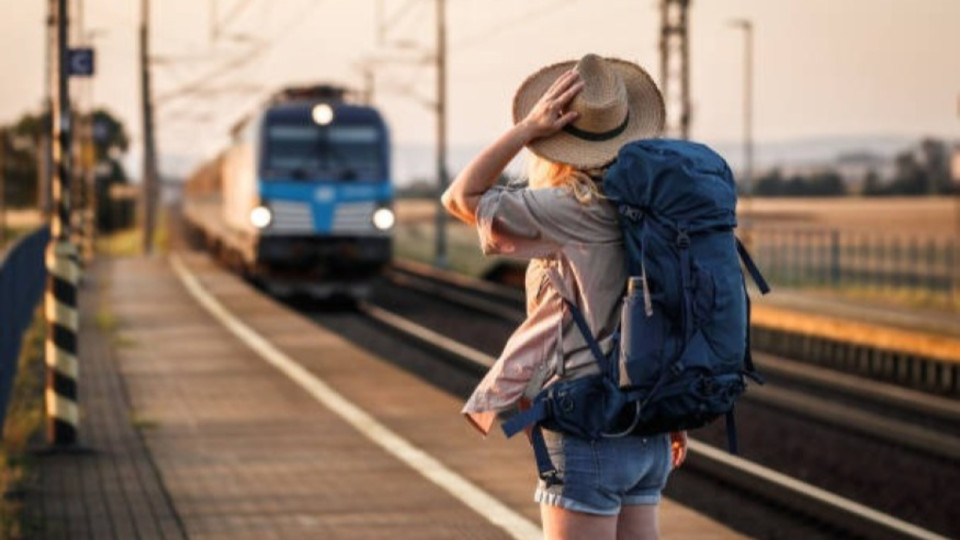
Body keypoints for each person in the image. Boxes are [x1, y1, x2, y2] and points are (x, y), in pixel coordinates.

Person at [441, 54, 689, 539]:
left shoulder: (572, 208)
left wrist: (525, 130)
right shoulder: (657, 209)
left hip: (589, 428)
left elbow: (460, 198)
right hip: (652, 429)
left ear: (558, 143)